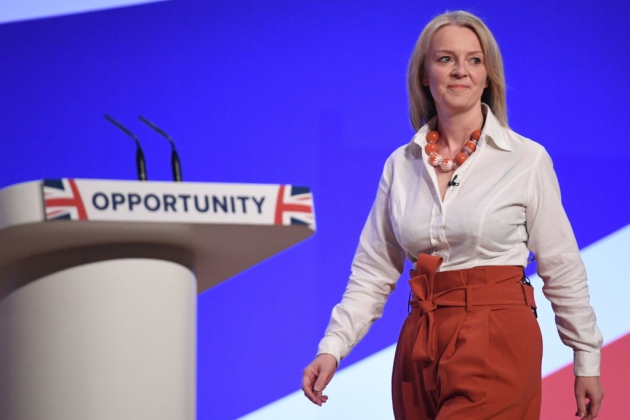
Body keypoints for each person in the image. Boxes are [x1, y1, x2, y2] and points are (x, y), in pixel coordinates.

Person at [301, 10, 605, 420]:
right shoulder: (401, 165)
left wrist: (586, 358)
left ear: (488, 76)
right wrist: (332, 348)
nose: (461, 70)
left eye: (474, 60)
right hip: (419, 342)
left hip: (497, 335)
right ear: (424, 75)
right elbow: (373, 271)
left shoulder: (526, 159)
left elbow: (561, 265)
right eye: (445, 59)